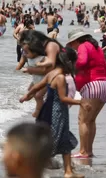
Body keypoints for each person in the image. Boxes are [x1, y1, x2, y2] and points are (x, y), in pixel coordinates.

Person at [20, 48, 84, 178]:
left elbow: (38, 86)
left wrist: (27, 95)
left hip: (49, 110)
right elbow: (63, 98)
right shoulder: (60, 78)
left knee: (65, 141)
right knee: (55, 141)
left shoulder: (52, 73)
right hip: (58, 112)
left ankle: (68, 172)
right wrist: (81, 103)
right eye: (74, 62)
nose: (75, 65)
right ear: (68, 63)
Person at [67, 29, 106, 158]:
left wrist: (70, 66)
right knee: (91, 121)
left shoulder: (83, 46)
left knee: (83, 120)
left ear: (76, 40)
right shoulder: (96, 47)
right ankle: (89, 151)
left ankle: (83, 151)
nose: (71, 47)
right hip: (104, 85)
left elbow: (82, 61)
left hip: (92, 85)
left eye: (71, 44)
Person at [15, 40, 52, 118]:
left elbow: (49, 65)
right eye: (24, 52)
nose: (25, 54)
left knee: (38, 96)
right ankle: (26, 97)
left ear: (35, 52)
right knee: (30, 91)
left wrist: (41, 64)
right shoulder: (29, 58)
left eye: (26, 52)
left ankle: (39, 111)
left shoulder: (42, 58)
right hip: (35, 79)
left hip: (45, 80)